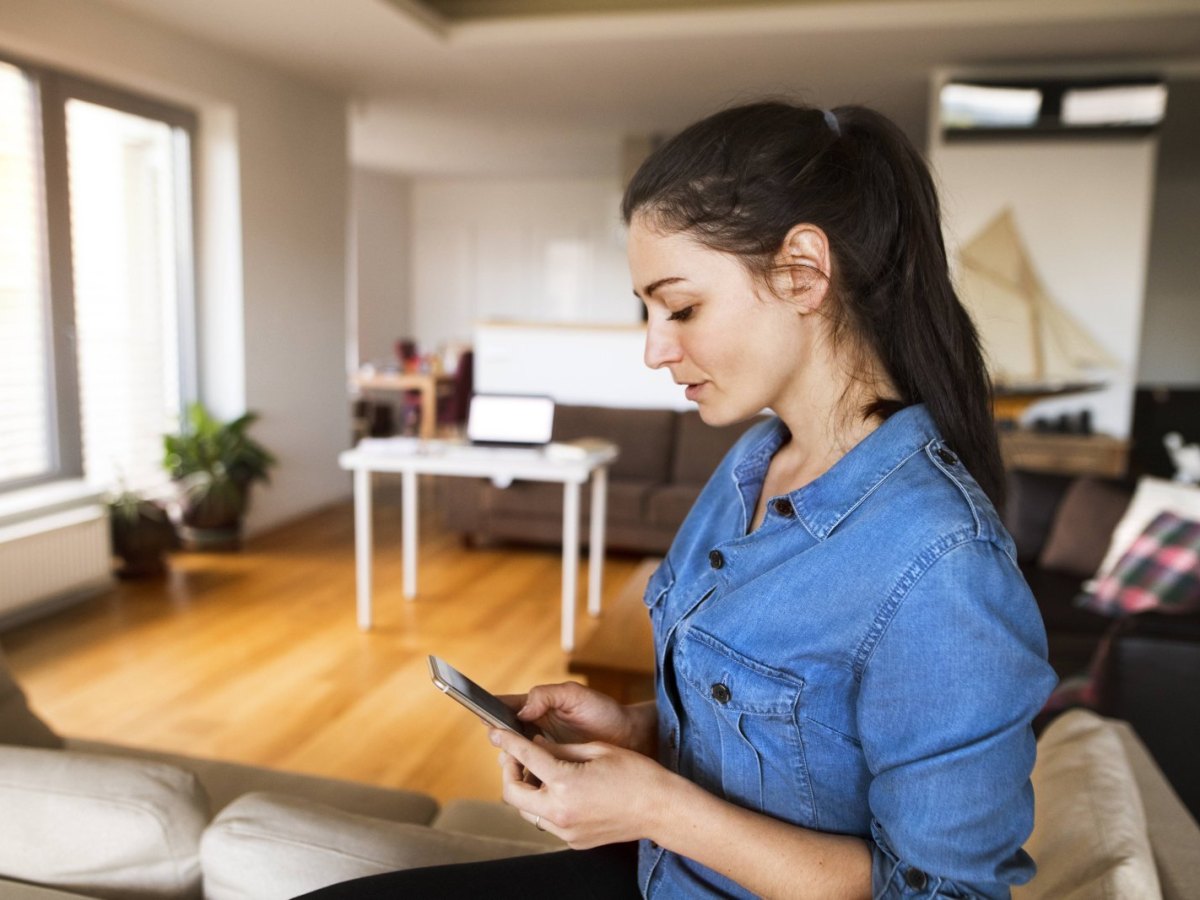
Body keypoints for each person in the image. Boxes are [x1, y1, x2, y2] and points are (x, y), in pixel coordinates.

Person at [300, 100, 1057, 899]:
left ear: (802, 271)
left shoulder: (941, 564)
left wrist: (659, 808)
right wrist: (636, 730)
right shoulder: (750, 467)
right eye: (648, 311)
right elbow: (793, 742)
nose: (656, 349)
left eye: (682, 307)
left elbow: (945, 893)